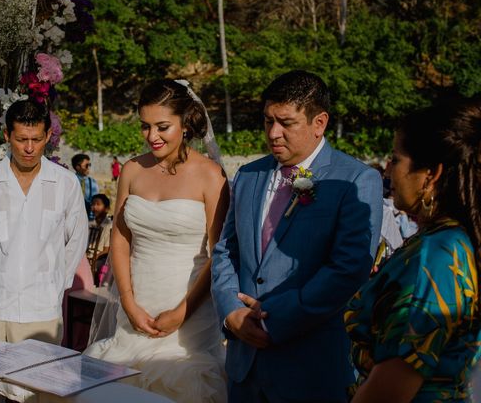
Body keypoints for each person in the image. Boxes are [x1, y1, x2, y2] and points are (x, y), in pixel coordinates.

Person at [211, 70, 383, 402]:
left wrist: (275, 321)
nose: (273, 133)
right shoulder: (248, 175)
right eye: (267, 121)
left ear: (319, 123)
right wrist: (231, 311)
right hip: (245, 367)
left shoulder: (357, 180)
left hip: (309, 367)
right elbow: (225, 251)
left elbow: (348, 268)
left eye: (286, 123)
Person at [84, 79, 230, 403]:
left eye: (162, 126)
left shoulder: (210, 175)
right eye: (145, 127)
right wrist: (128, 301)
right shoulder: (133, 169)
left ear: (185, 122)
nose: (152, 136)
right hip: (135, 309)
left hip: (188, 318)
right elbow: (121, 240)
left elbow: (218, 254)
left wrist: (183, 310)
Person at [345, 99, 481, 402]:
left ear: (430, 174)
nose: (389, 169)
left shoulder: (437, 253)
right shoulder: (449, 239)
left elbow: (390, 390)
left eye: (396, 159)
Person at [0, 99, 87, 346]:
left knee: (38, 383)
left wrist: (53, 287)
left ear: (48, 136)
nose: (29, 148)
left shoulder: (66, 183)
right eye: (21, 140)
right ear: (7, 135)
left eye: (37, 139)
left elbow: (76, 241)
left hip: (42, 311)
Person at [72, 153, 99, 217]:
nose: (88, 168)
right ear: (78, 167)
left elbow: (95, 200)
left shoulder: (93, 182)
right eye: (86, 165)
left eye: (89, 165)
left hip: (89, 216)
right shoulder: (71, 180)